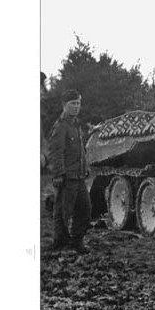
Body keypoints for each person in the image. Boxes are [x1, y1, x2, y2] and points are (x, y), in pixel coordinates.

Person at [48, 89, 91, 253]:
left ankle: (77, 241)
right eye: (72, 103)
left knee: (85, 210)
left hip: (79, 177)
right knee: (62, 213)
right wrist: (58, 175)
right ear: (64, 105)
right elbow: (56, 152)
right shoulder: (61, 126)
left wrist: (85, 167)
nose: (76, 107)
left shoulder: (76, 125)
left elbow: (81, 150)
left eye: (78, 103)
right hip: (67, 178)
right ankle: (60, 244)